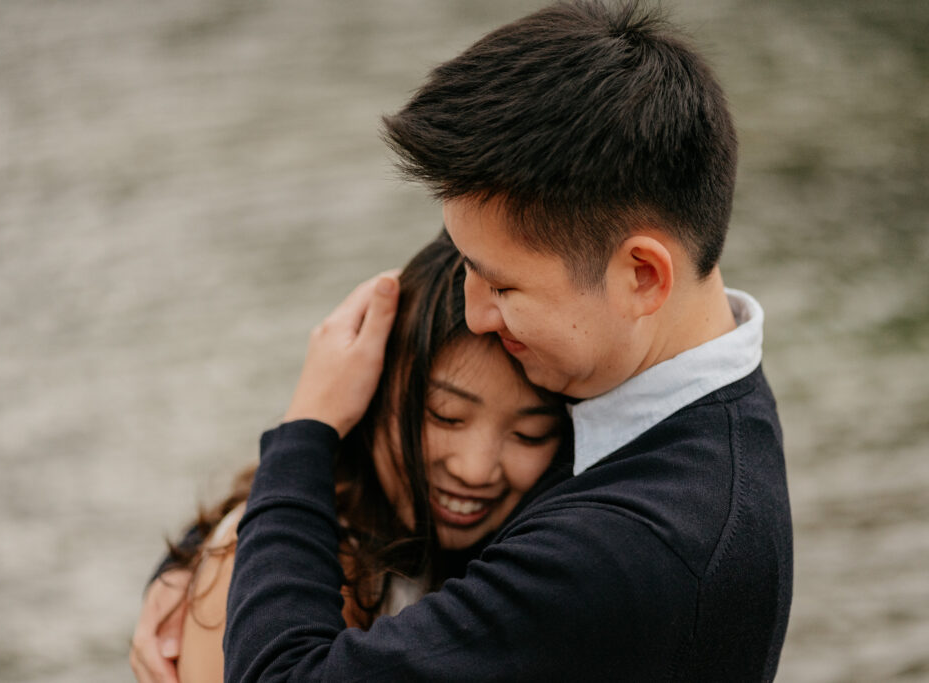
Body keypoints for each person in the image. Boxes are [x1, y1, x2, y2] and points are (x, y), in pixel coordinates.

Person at [221, 1, 792, 680]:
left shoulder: (630, 548)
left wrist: (306, 429)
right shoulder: (694, 388)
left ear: (641, 275)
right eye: (463, 263)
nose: (474, 312)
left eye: (502, 286)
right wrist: (200, 555)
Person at [129, 233, 571, 682]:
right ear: (371, 392)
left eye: (529, 435)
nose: (475, 469)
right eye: (446, 416)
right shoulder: (290, 566)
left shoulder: (497, 549)